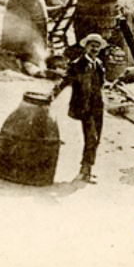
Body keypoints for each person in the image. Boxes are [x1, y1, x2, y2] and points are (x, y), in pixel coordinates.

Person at [51, 33, 106, 183]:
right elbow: (64, 81)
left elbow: (101, 84)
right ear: (86, 47)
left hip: (98, 107)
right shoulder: (77, 64)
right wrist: (52, 96)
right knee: (91, 137)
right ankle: (85, 171)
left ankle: (88, 168)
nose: (94, 48)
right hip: (85, 107)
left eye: (97, 46)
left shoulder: (99, 64)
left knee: (96, 138)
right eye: (92, 45)